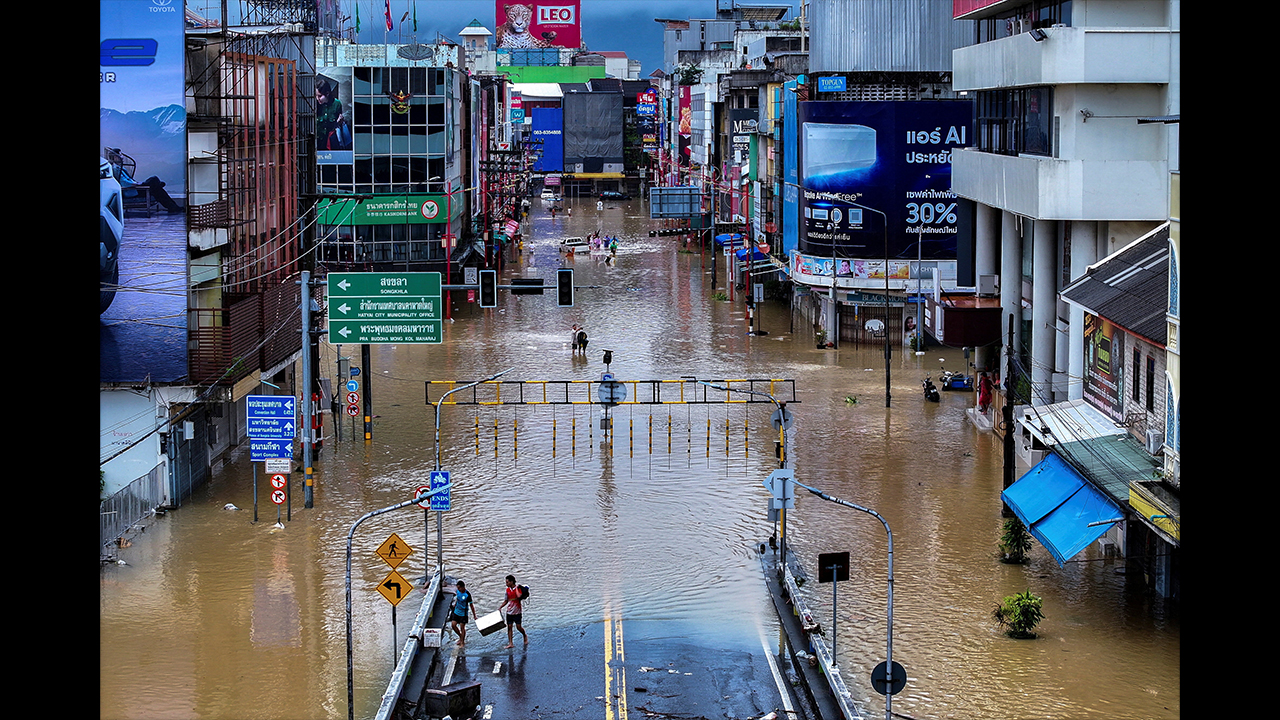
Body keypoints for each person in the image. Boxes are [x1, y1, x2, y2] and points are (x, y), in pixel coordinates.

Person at [500, 574, 528, 648]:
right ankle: (510, 643)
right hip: (509, 611)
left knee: (518, 627)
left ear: (512, 582)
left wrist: (516, 588)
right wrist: (500, 607)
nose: (506, 584)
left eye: (507, 582)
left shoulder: (518, 588)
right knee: (509, 627)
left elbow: (519, 596)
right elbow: (506, 600)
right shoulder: (507, 590)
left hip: (517, 611)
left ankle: (524, 635)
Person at [449, 579, 478, 646]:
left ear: (463, 587)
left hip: (463, 613)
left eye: (459, 588)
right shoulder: (458, 592)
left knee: (462, 627)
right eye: (457, 588)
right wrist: (455, 605)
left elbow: (471, 605)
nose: (458, 589)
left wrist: (474, 615)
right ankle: (460, 636)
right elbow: (457, 599)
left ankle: (462, 641)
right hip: (456, 611)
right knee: (453, 625)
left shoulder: (467, 595)